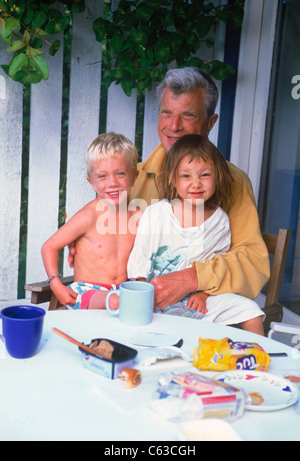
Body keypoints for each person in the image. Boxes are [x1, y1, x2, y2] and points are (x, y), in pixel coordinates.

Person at [127, 67, 270, 313]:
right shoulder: (131, 177)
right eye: (166, 113)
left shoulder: (234, 181)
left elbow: (253, 262)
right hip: (134, 306)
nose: (174, 125)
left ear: (210, 123)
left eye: (188, 115)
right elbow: (105, 233)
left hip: (198, 313)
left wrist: (194, 278)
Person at [127, 134, 265, 335]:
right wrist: (144, 296)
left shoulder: (219, 221)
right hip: (154, 297)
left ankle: (255, 358)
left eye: (205, 175)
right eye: (186, 176)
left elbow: (216, 264)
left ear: (217, 176)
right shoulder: (157, 214)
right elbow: (138, 262)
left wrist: (204, 295)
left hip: (195, 300)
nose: (196, 183)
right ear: (172, 180)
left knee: (250, 310)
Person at [41, 132, 141, 309]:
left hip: (122, 290)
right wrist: (56, 284)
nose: (112, 183)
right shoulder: (90, 215)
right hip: (87, 292)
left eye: (120, 173)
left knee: (140, 298)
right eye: (102, 176)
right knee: (117, 301)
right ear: (92, 182)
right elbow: (49, 247)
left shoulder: (138, 217)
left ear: (134, 178)